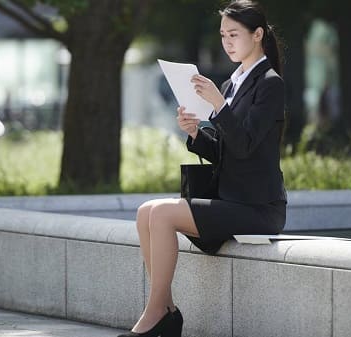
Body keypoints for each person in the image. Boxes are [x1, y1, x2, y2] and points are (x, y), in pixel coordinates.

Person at [117, 1, 287, 336]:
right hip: (230, 200)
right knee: (145, 212)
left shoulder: (270, 83)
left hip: (257, 208)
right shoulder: (231, 85)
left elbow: (246, 144)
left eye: (234, 34)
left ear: (257, 35)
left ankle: (157, 315)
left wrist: (219, 106)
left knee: (162, 214)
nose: (227, 42)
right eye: (223, 34)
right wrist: (196, 132)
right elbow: (226, 153)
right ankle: (165, 311)